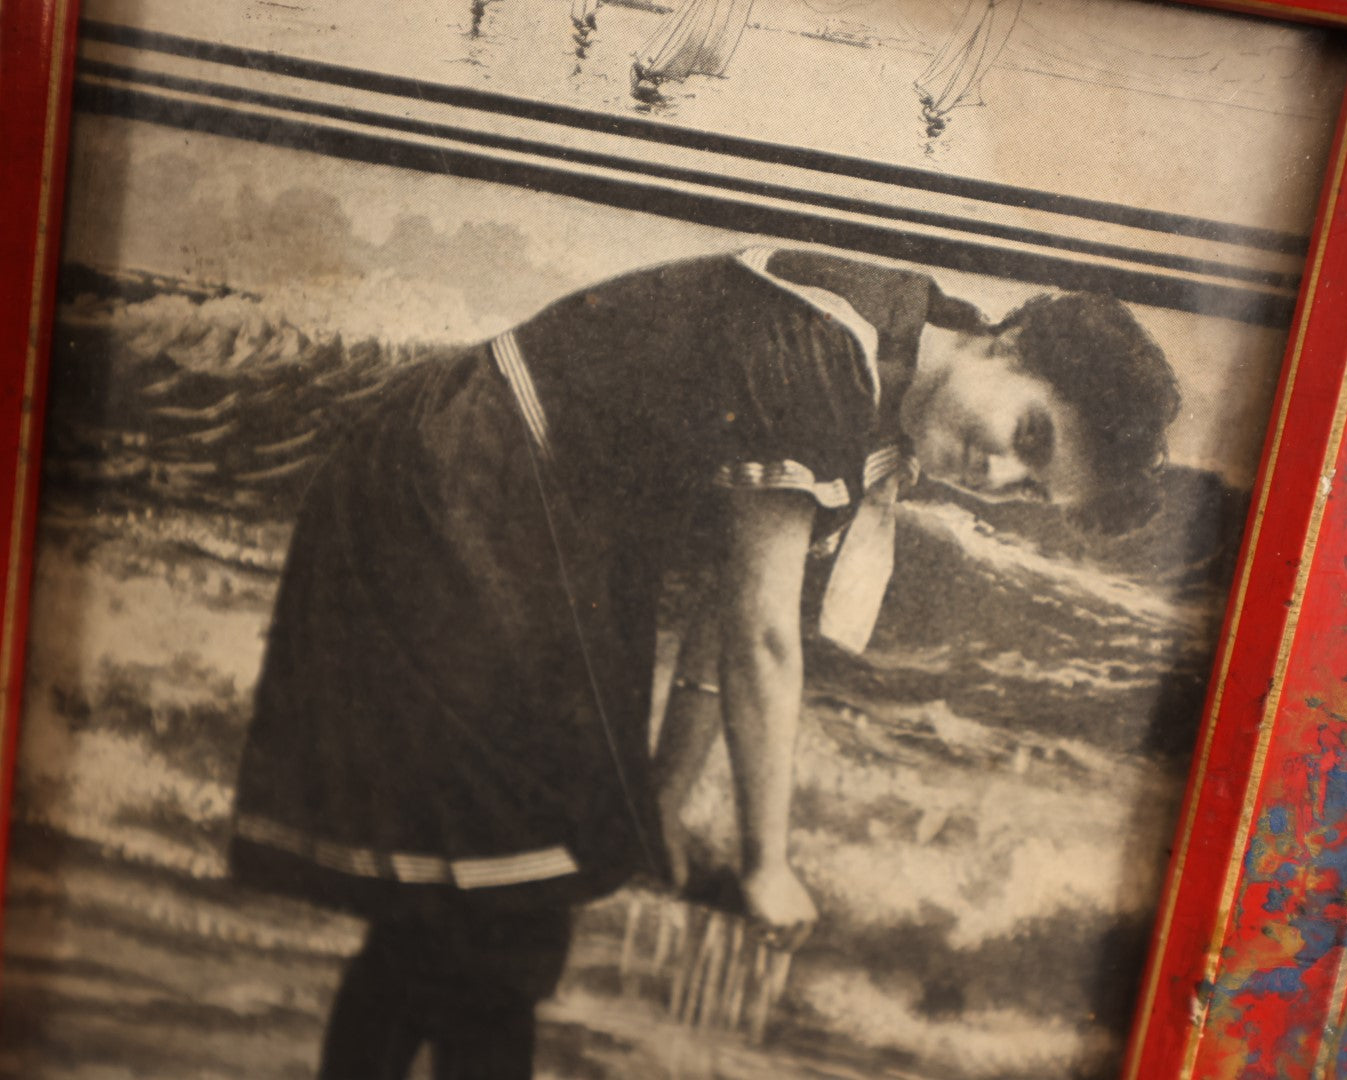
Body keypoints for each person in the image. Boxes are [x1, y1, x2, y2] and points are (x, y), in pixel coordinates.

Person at [226, 247, 1180, 1079]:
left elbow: (725, 619)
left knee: (498, 898)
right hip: (466, 484)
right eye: (1030, 437)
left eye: (1029, 489)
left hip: (549, 523)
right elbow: (764, 636)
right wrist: (766, 864)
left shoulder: (892, 372)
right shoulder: (831, 351)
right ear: (1012, 348)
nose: (999, 476)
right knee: (507, 899)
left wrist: (664, 805)